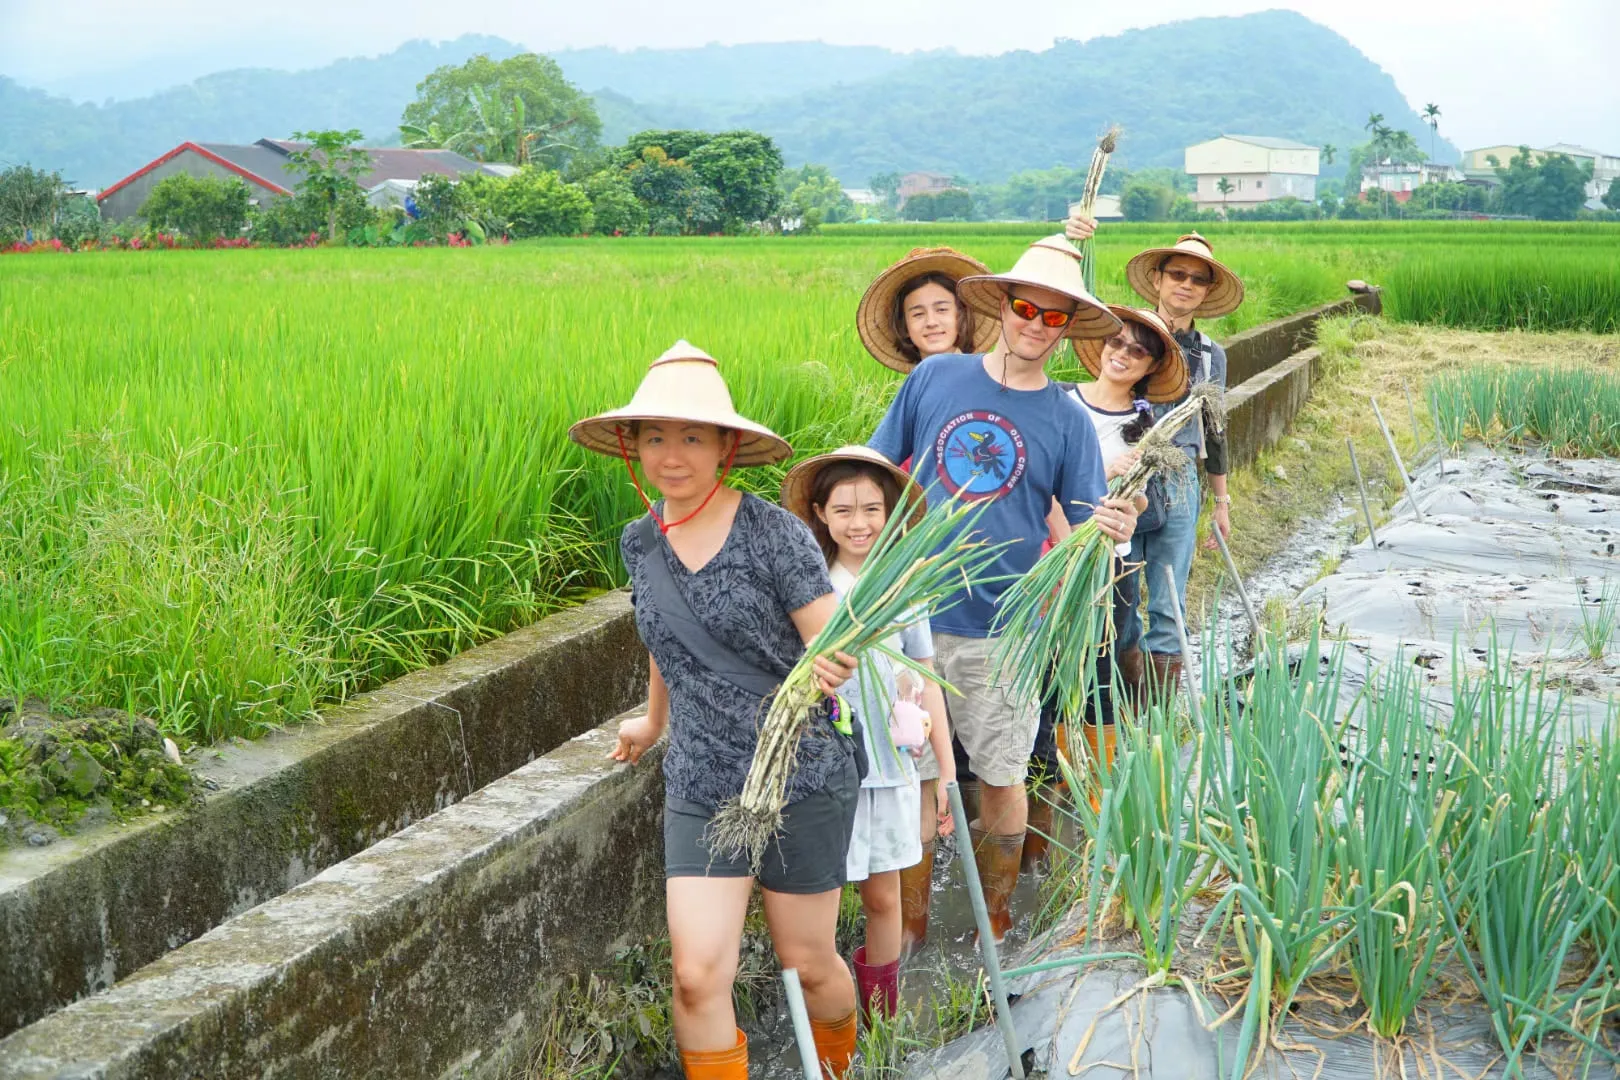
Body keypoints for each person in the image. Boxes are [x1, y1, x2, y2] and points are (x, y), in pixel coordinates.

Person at [573, 341, 861, 1080]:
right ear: (633, 448)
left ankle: (842, 1066)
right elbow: (665, 636)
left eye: (692, 437)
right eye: (656, 437)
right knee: (698, 975)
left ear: (726, 446)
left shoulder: (773, 534)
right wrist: (652, 721)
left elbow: (831, 639)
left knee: (807, 960)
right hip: (702, 778)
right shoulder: (640, 541)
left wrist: (832, 662)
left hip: (800, 773)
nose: (672, 455)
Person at [866, 234, 1140, 943]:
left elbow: (1084, 534)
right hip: (912, 624)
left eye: (1054, 317)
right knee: (921, 784)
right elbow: (874, 470)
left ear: (1066, 329)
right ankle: (916, 932)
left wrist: (1117, 524)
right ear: (1002, 306)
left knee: (1001, 778)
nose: (1036, 325)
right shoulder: (934, 381)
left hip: (1006, 630)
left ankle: (995, 923)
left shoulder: (1068, 421)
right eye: (1026, 308)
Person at [780, 445, 955, 1017]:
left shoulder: (905, 586)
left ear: (891, 514)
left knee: (884, 898)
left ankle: (882, 1020)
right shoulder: (811, 591)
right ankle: (833, 1021)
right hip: (829, 773)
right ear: (822, 515)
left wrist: (945, 772)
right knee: (824, 909)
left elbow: (927, 680)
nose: (860, 523)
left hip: (891, 766)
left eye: (873, 509)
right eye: (845, 510)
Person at [1069, 226, 1243, 697]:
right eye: (1177, 274)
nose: (1185, 285)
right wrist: (1076, 240)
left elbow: (1215, 429)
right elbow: (1073, 309)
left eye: (1197, 280)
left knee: (1168, 595)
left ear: (1207, 293)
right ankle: (1120, 702)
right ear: (1160, 279)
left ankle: (1158, 713)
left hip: (1180, 478)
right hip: (1123, 474)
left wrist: (1221, 502)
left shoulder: (1211, 356)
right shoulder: (1130, 335)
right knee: (1120, 591)